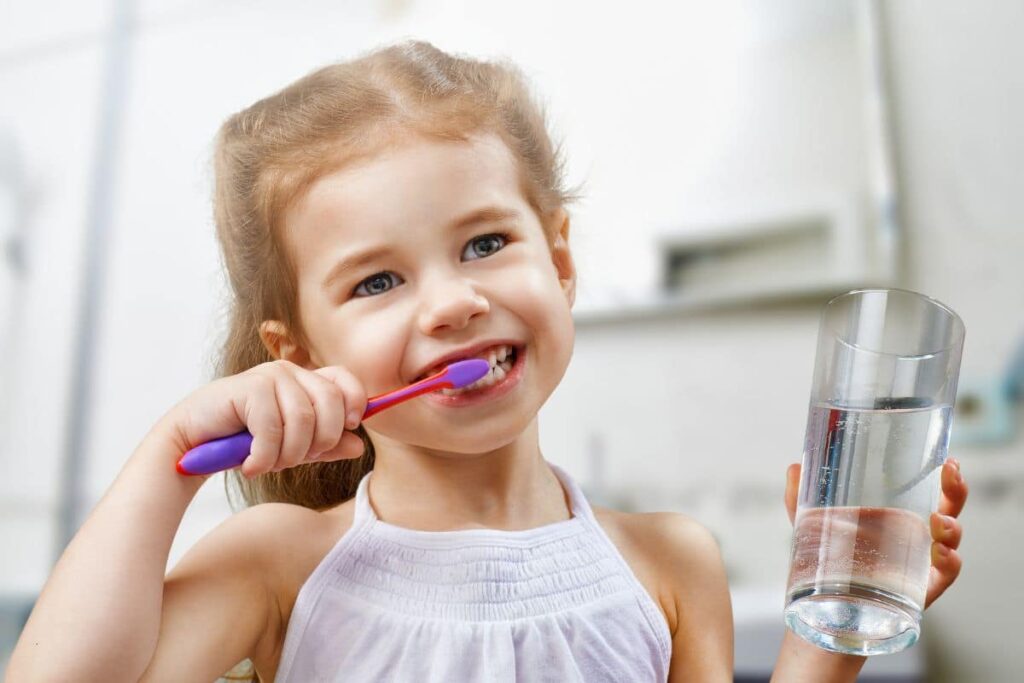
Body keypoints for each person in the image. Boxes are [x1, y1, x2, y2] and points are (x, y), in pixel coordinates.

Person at [6, 41, 968, 682]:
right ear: (299, 354)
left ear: (557, 262)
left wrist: (831, 618)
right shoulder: (281, 564)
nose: (453, 301)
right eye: (377, 282)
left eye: (482, 245)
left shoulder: (672, 561)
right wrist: (167, 452)